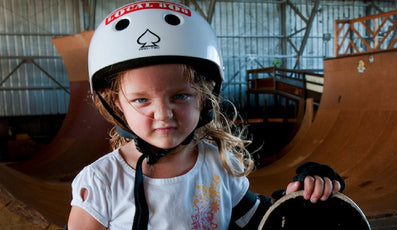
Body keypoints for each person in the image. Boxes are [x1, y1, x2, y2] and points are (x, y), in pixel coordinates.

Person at [67, 1, 344, 229]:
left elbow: (267, 223)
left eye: (180, 96)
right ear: (116, 104)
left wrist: (303, 194)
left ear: (204, 96)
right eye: (141, 99)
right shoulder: (101, 182)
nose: (163, 114)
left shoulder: (220, 166)